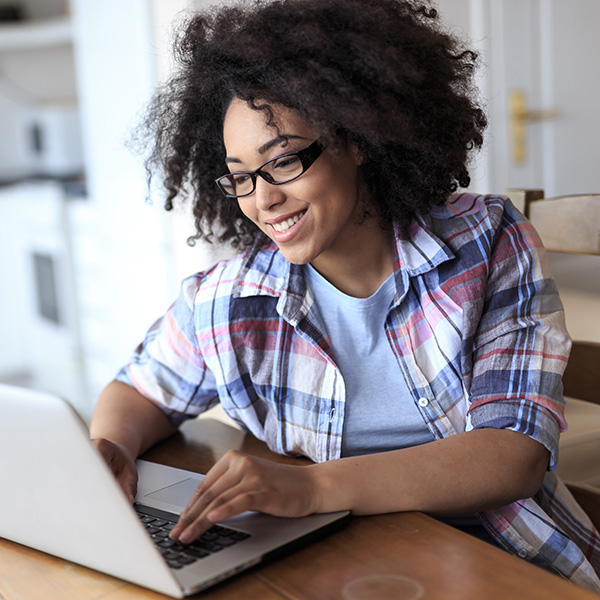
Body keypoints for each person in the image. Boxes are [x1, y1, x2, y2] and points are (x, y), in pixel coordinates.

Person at [89, 0, 600, 590]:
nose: (263, 200)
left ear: (354, 139)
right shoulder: (232, 299)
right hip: (345, 561)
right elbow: (137, 388)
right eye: (241, 176)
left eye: (281, 162)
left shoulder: (485, 244)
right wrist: (111, 447)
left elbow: (512, 455)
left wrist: (311, 488)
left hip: (506, 560)